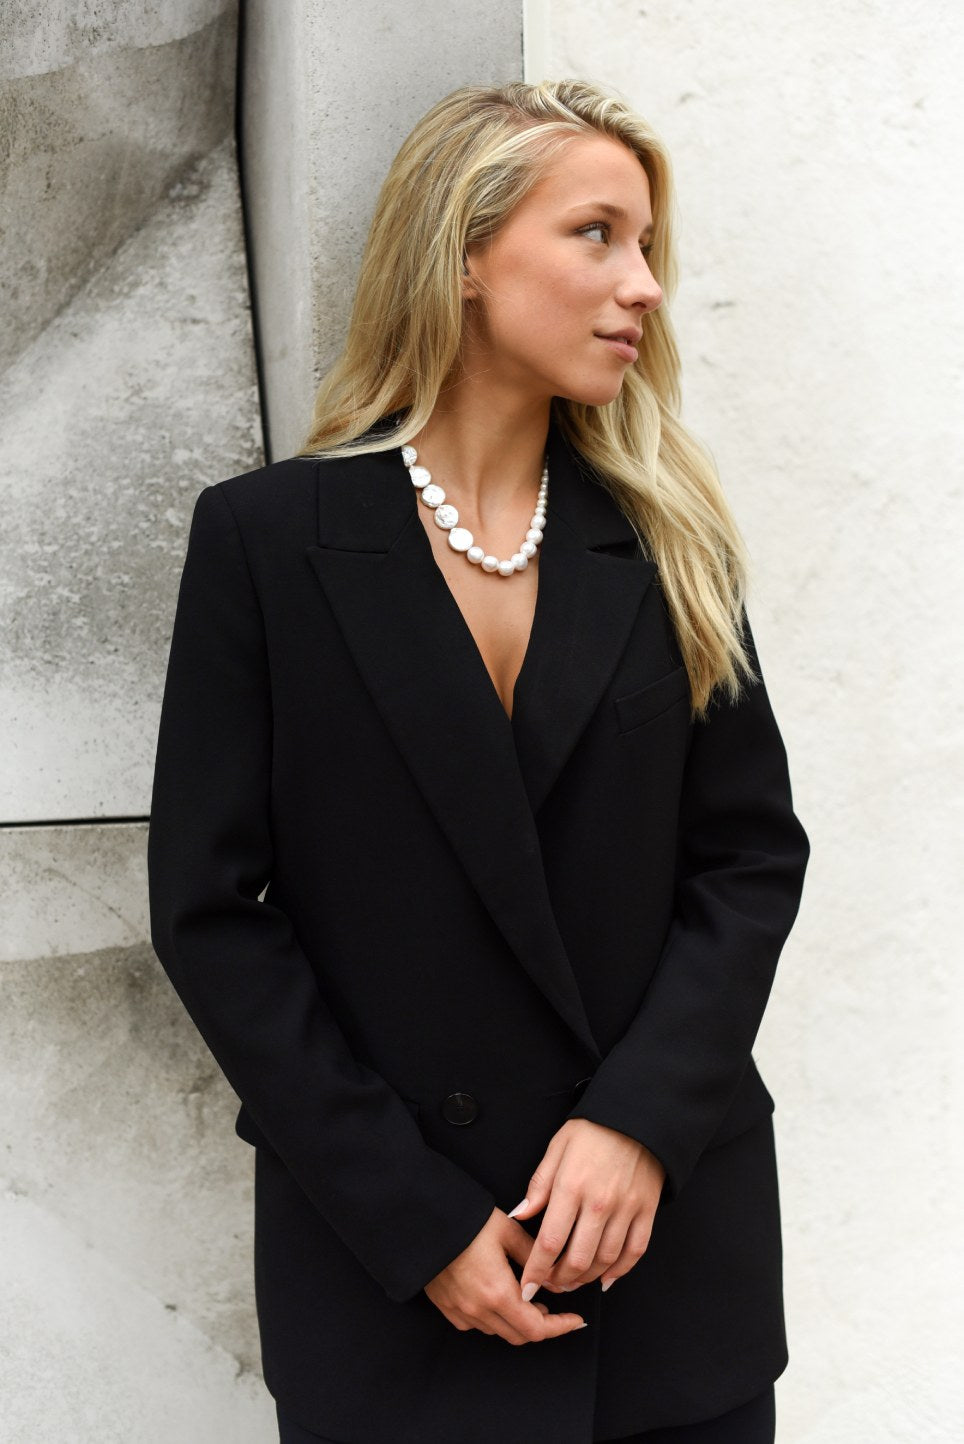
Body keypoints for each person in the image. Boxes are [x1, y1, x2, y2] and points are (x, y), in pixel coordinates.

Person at [147, 79, 809, 1444]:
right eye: (597, 234)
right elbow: (211, 911)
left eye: (647, 246)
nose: (643, 286)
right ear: (462, 253)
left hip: (664, 1269)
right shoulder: (270, 544)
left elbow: (749, 859)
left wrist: (640, 1122)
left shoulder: (668, 539)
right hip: (391, 1274)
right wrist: (414, 1216)